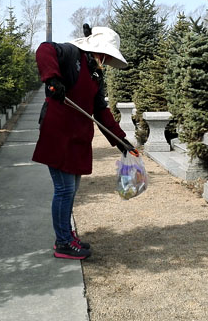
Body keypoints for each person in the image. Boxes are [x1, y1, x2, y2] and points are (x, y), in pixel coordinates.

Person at [32, 25, 134, 260]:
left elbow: (101, 110)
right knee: (64, 189)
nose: (106, 61)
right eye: (105, 55)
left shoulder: (96, 73)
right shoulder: (71, 54)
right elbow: (44, 50)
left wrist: (121, 140)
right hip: (57, 132)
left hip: (77, 136)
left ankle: (67, 236)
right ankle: (63, 243)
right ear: (97, 49)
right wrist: (53, 79)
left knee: (72, 189)